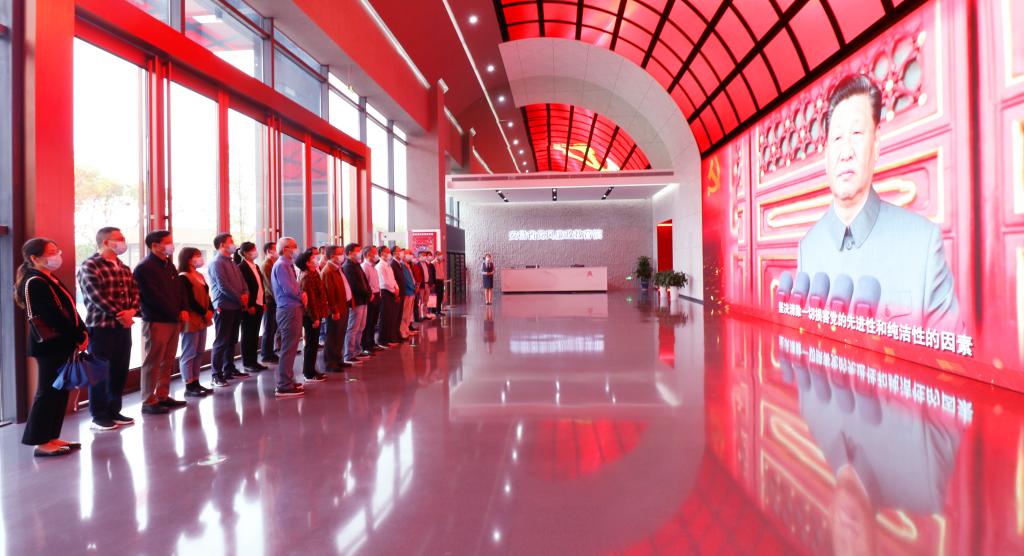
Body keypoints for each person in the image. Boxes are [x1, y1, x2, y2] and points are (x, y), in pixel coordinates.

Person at [796, 74, 962, 331]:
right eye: (837, 138)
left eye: (856, 133)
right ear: (826, 156)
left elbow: (950, 352)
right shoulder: (808, 248)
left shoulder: (923, 243)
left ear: (876, 145)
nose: (846, 152)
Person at [15, 238, 88, 456]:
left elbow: (70, 309)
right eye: (51, 252)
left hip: (63, 343)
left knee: (59, 392)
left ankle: (52, 436)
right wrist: (77, 335)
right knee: (48, 392)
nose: (57, 255)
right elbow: (52, 316)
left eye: (57, 250)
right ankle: (40, 442)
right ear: (35, 258)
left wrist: (83, 331)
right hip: (49, 345)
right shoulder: (34, 281)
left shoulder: (48, 277)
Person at [77, 227, 139, 431]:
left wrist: (132, 311)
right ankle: (99, 415)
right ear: (105, 242)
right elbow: (97, 296)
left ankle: (114, 410)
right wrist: (122, 315)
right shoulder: (90, 266)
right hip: (101, 327)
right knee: (99, 371)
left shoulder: (123, 267)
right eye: (119, 238)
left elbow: (135, 292)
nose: (123, 242)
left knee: (119, 370)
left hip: (124, 326)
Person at [133, 230, 188, 414]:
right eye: (167, 242)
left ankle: (162, 395)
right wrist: (173, 311)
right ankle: (148, 400)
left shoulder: (168, 264)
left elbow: (179, 289)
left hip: (174, 319)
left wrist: (182, 309)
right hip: (157, 320)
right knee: (153, 361)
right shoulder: (144, 267)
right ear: (155, 245)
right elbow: (151, 296)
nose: (171, 245)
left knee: (168, 360)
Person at [207, 233, 250, 387]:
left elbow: (242, 281)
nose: (233, 244)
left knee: (232, 339)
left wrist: (245, 294)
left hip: (236, 305)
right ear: (221, 245)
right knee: (221, 341)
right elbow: (223, 285)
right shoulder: (216, 263)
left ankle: (229, 369)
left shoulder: (231, 262)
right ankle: (216, 374)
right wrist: (240, 297)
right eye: (230, 241)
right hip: (224, 305)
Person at [270, 237, 305, 398]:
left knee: (291, 347)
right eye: (293, 246)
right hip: (288, 309)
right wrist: (302, 295)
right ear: (285, 249)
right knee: (288, 348)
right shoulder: (282, 265)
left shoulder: (287, 265)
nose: (296, 249)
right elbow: (288, 288)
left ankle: (288, 379)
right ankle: (283, 385)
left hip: (293, 307)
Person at [177, 247, 214, 397]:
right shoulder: (183, 277)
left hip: (203, 318)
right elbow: (189, 300)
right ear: (188, 259)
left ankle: (196, 381)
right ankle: (189, 384)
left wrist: (210, 309)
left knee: (199, 351)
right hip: (192, 318)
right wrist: (204, 312)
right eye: (196, 256)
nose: (200, 258)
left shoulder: (199, 275)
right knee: (189, 352)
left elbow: (207, 295)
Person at [236, 241, 268, 373]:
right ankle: (247, 362)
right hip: (250, 305)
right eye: (252, 250)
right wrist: (249, 305)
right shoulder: (241, 267)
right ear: (245, 253)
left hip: (259, 303)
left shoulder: (256, 266)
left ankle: (254, 361)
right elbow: (243, 288)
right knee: (248, 334)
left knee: (255, 334)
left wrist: (263, 302)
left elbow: (260, 285)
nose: (255, 252)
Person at [297, 249, 329, 382]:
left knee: (314, 344)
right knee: (311, 344)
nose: (316, 259)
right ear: (307, 263)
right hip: (311, 315)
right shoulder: (306, 276)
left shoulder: (314, 273)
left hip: (317, 312)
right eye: (313, 258)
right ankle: (308, 373)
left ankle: (312, 369)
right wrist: (315, 317)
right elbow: (310, 300)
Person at [320, 245, 352, 371]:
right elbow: (329, 293)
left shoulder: (338, 268)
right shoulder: (328, 271)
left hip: (343, 305)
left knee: (340, 335)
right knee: (332, 336)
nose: (342, 255)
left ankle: (338, 359)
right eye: (340, 253)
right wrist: (334, 310)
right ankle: (330, 363)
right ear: (332, 256)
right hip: (336, 308)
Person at [342, 243, 372, 364]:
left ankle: (357, 350)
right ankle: (349, 354)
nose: (360, 253)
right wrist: (367, 292)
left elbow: (365, 281)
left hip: (363, 300)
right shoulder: (348, 266)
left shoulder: (357, 264)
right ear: (350, 253)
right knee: (353, 328)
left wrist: (369, 292)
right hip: (356, 301)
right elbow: (354, 285)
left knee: (361, 327)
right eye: (358, 251)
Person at [360, 245, 386, 353]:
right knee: (368, 322)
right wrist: (371, 295)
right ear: (367, 254)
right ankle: (365, 345)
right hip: (370, 296)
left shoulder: (373, 267)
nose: (376, 255)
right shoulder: (364, 267)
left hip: (377, 295)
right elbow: (365, 284)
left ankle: (371, 342)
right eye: (374, 253)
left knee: (373, 321)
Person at [375, 245, 400, 346]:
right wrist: (393, 291)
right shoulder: (380, 266)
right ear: (382, 254)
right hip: (385, 292)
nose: (390, 254)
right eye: (388, 252)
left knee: (391, 316)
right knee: (385, 317)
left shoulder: (388, 265)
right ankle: (383, 340)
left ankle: (389, 338)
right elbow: (384, 282)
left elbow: (393, 279)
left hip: (392, 292)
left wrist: (397, 288)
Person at [260, 241, 280, 364]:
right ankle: (266, 354)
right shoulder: (266, 265)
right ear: (269, 251)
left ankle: (270, 352)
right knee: (269, 327)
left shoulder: (274, 263)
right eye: (275, 249)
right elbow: (269, 285)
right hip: (270, 300)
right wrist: (279, 299)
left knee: (273, 327)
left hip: (275, 300)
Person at [389, 247, 409, 342]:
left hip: (401, 292)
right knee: (396, 316)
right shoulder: (393, 264)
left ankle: (397, 334)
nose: (401, 253)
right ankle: (394, 335)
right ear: (394, 253)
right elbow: (393, 280)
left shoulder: (398, 264)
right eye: (399, 251)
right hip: (397, 293)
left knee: (399, 315)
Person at [400, 250, 418, 338]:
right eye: (409, 254)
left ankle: (407, 329)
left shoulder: (408, 265)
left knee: (409, 313)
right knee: (405, 313)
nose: (411, 255)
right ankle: (402, 331)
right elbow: (406, 280)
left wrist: (415, 287)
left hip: (411, 291)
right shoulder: (402, 266)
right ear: (404, 255)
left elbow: (411, 278)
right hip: (407, 292)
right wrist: (414, 287)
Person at [419, 251, 436, 320]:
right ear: (419, 256)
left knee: (426, 300)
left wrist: (431, 283)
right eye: (423, 255)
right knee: (421, 301)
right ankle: (420, 315)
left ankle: (425, 314)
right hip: (422, 285)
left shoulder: (427, 264)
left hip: (427, 284)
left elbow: (430, 274)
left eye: (425, 255)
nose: (425, 257)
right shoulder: (417, 265)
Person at [410, 251, 425, 322]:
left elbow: (419, 276)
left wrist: (418, 285)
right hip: (411, 287)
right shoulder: (408, 266)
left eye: (413, 256)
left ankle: (417, 317)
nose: (413, 258)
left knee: (416, 303)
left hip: (417, 286)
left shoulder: (415, 266)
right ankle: (414, 318)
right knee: (412, 305)